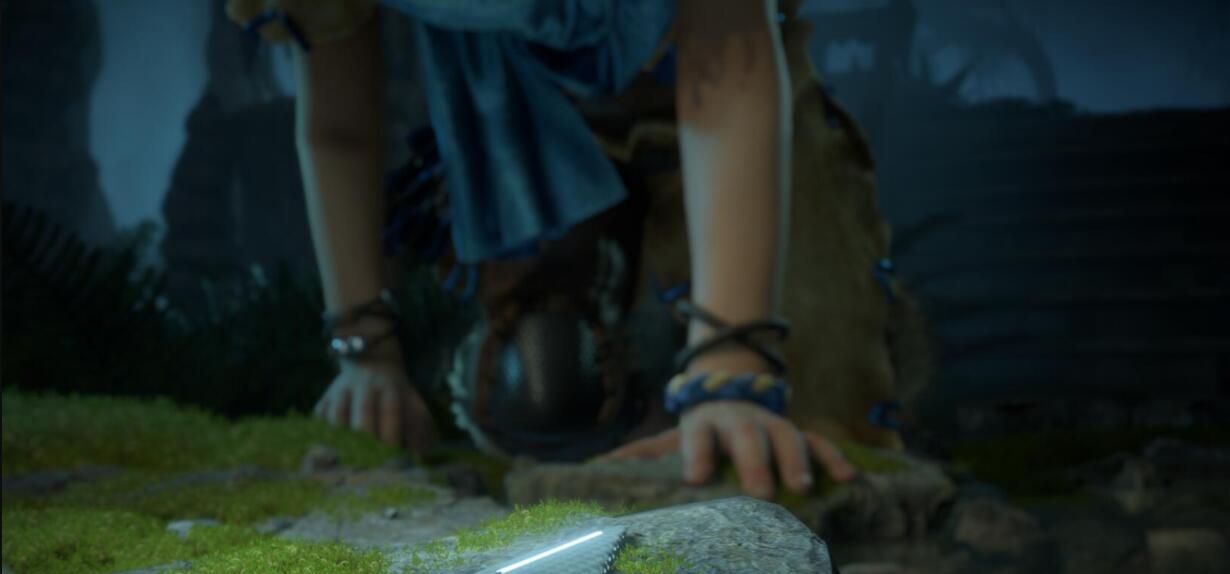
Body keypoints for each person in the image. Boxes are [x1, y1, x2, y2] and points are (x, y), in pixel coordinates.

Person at [227, 0, 906, 500]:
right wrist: (366, 351)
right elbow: (340, 128)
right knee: (544, 387)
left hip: (727, 82)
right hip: (517, 123)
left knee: (812, 405)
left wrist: (732, 367)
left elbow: (729, 62)